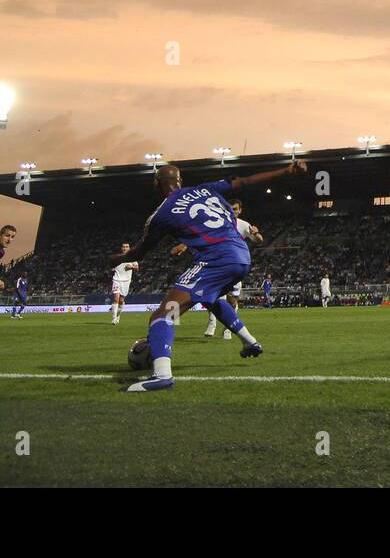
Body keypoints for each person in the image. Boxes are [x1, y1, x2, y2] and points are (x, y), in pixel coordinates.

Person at [120, 160, 306, 392]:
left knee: (164, 314)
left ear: (156, 183)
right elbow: (244, 181)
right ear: (181, 181)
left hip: (217, 259)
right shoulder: (205, 189)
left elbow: (141, 251)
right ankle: (250, 342)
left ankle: (162, 375)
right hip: (241, 257)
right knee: (212, 300)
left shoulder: (162, 213)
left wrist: (115, 259)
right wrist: (285, 171)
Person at [203, 200, 262, 339]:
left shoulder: (243, 225)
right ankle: (212, 324)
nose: (232, 211)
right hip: (219, 266)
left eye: (235, 209)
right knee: (214, 298)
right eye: (230, 209)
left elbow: (258, 240)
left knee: (233, 300)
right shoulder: (217, 222)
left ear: (240, 210)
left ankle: (228, 328)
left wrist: (256, 233)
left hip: (235, 266)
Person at [110, 244, 138, 325]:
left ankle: (118, 316)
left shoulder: (133, 257)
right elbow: (111, 266)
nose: (125, 248)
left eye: (127, 247)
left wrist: (131, 267)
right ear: (121, 248)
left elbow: (137, 267)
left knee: (121, 301)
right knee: (116, 298)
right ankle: (114, 318)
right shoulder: (117, 257)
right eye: (123, 247)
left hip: (126, 281)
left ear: (129, 248)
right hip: (116, 280)